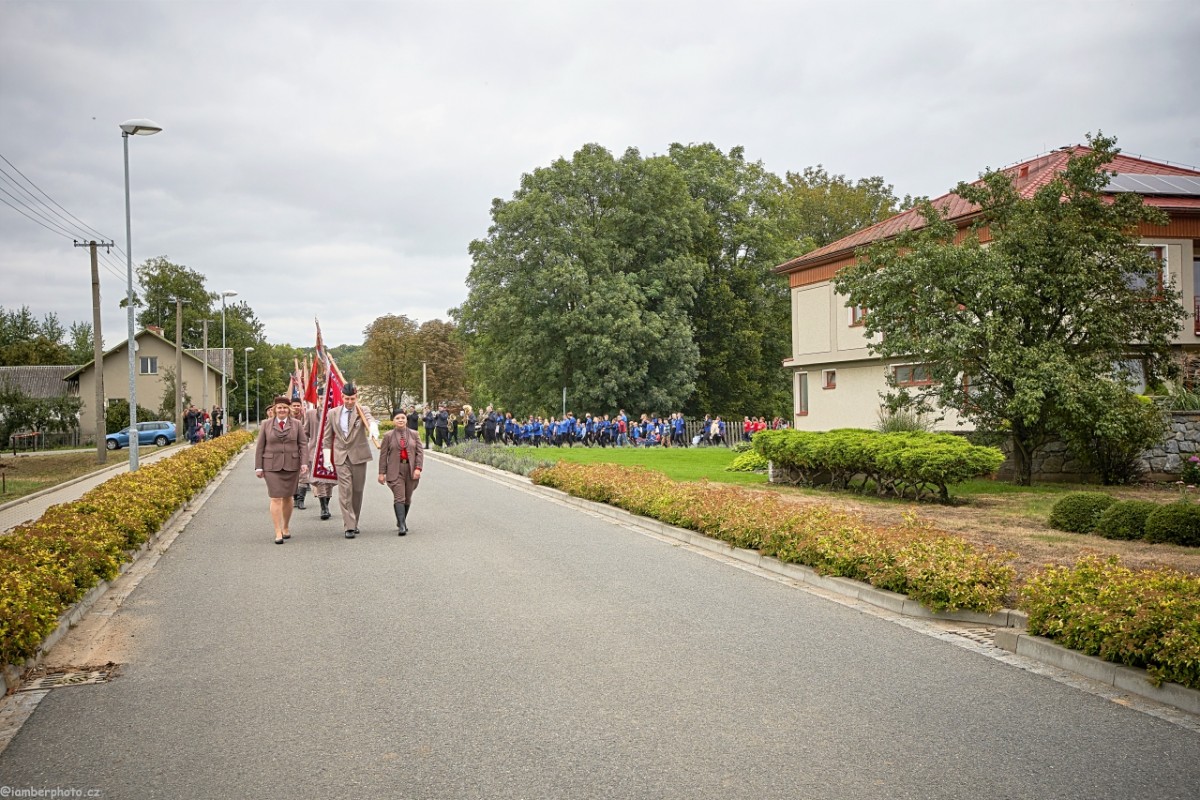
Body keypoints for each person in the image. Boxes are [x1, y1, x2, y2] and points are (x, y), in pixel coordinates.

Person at [254, 395, 310, 544]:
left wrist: (304, 462)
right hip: (271, 465)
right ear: (274, 409)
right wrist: (258, 467)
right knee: (275, 497)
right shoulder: (266, 424)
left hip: (292, 465)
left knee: (288, 497)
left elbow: (303, 445)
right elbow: (260, 446)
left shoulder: (297, 424)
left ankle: (285, 526)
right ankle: (277, 530)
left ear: (289, 409)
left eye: (285, 407)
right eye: (279, 407)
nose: (282, 410)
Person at [323, 382, 376, 539]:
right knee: (345, 491)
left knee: (357, 491)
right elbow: (327, 438)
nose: (350, 402)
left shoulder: (362, 410)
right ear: (342, 397)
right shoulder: (333, 413)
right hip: (341, 457)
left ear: (356, 397)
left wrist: (373, 427)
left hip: (359, 456)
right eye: (347, 399)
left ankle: (355, 521)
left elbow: (369, 419)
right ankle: (349, 526)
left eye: (353, 399)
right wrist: (327, 459)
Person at [377, 411, 424, 535]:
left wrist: (418, 468)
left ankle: (401, 519)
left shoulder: (414, 434)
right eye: (397, 418)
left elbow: (420, 453)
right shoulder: (388, 436)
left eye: (403, 417)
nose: (400, 420)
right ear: (393, 420)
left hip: (410, 469)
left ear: (406, 419)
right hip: (395, 470)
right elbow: (383, 456)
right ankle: (402, 525)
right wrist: (381, 473)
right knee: (399, 497)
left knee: (407, 498)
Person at [304, 391, 335, 520]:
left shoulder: (334, 413)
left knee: (329, 480)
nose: (323, 400)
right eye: (321, 398)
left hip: (331, 451)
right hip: (314, 451)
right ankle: (324, 507)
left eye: (326, 398)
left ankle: (326, 503)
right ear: (318, 399)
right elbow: (305, 432)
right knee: (321, 480)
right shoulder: (311, 414)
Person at [290, 399, 310, 509]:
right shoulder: (288, 418)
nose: (296, 407)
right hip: (290, 450)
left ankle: (301, 499)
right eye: (294, 405)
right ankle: (295, 497)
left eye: (298, 405)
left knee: (303, 474)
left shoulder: (306, 417)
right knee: (293, 475)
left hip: (304, 447)